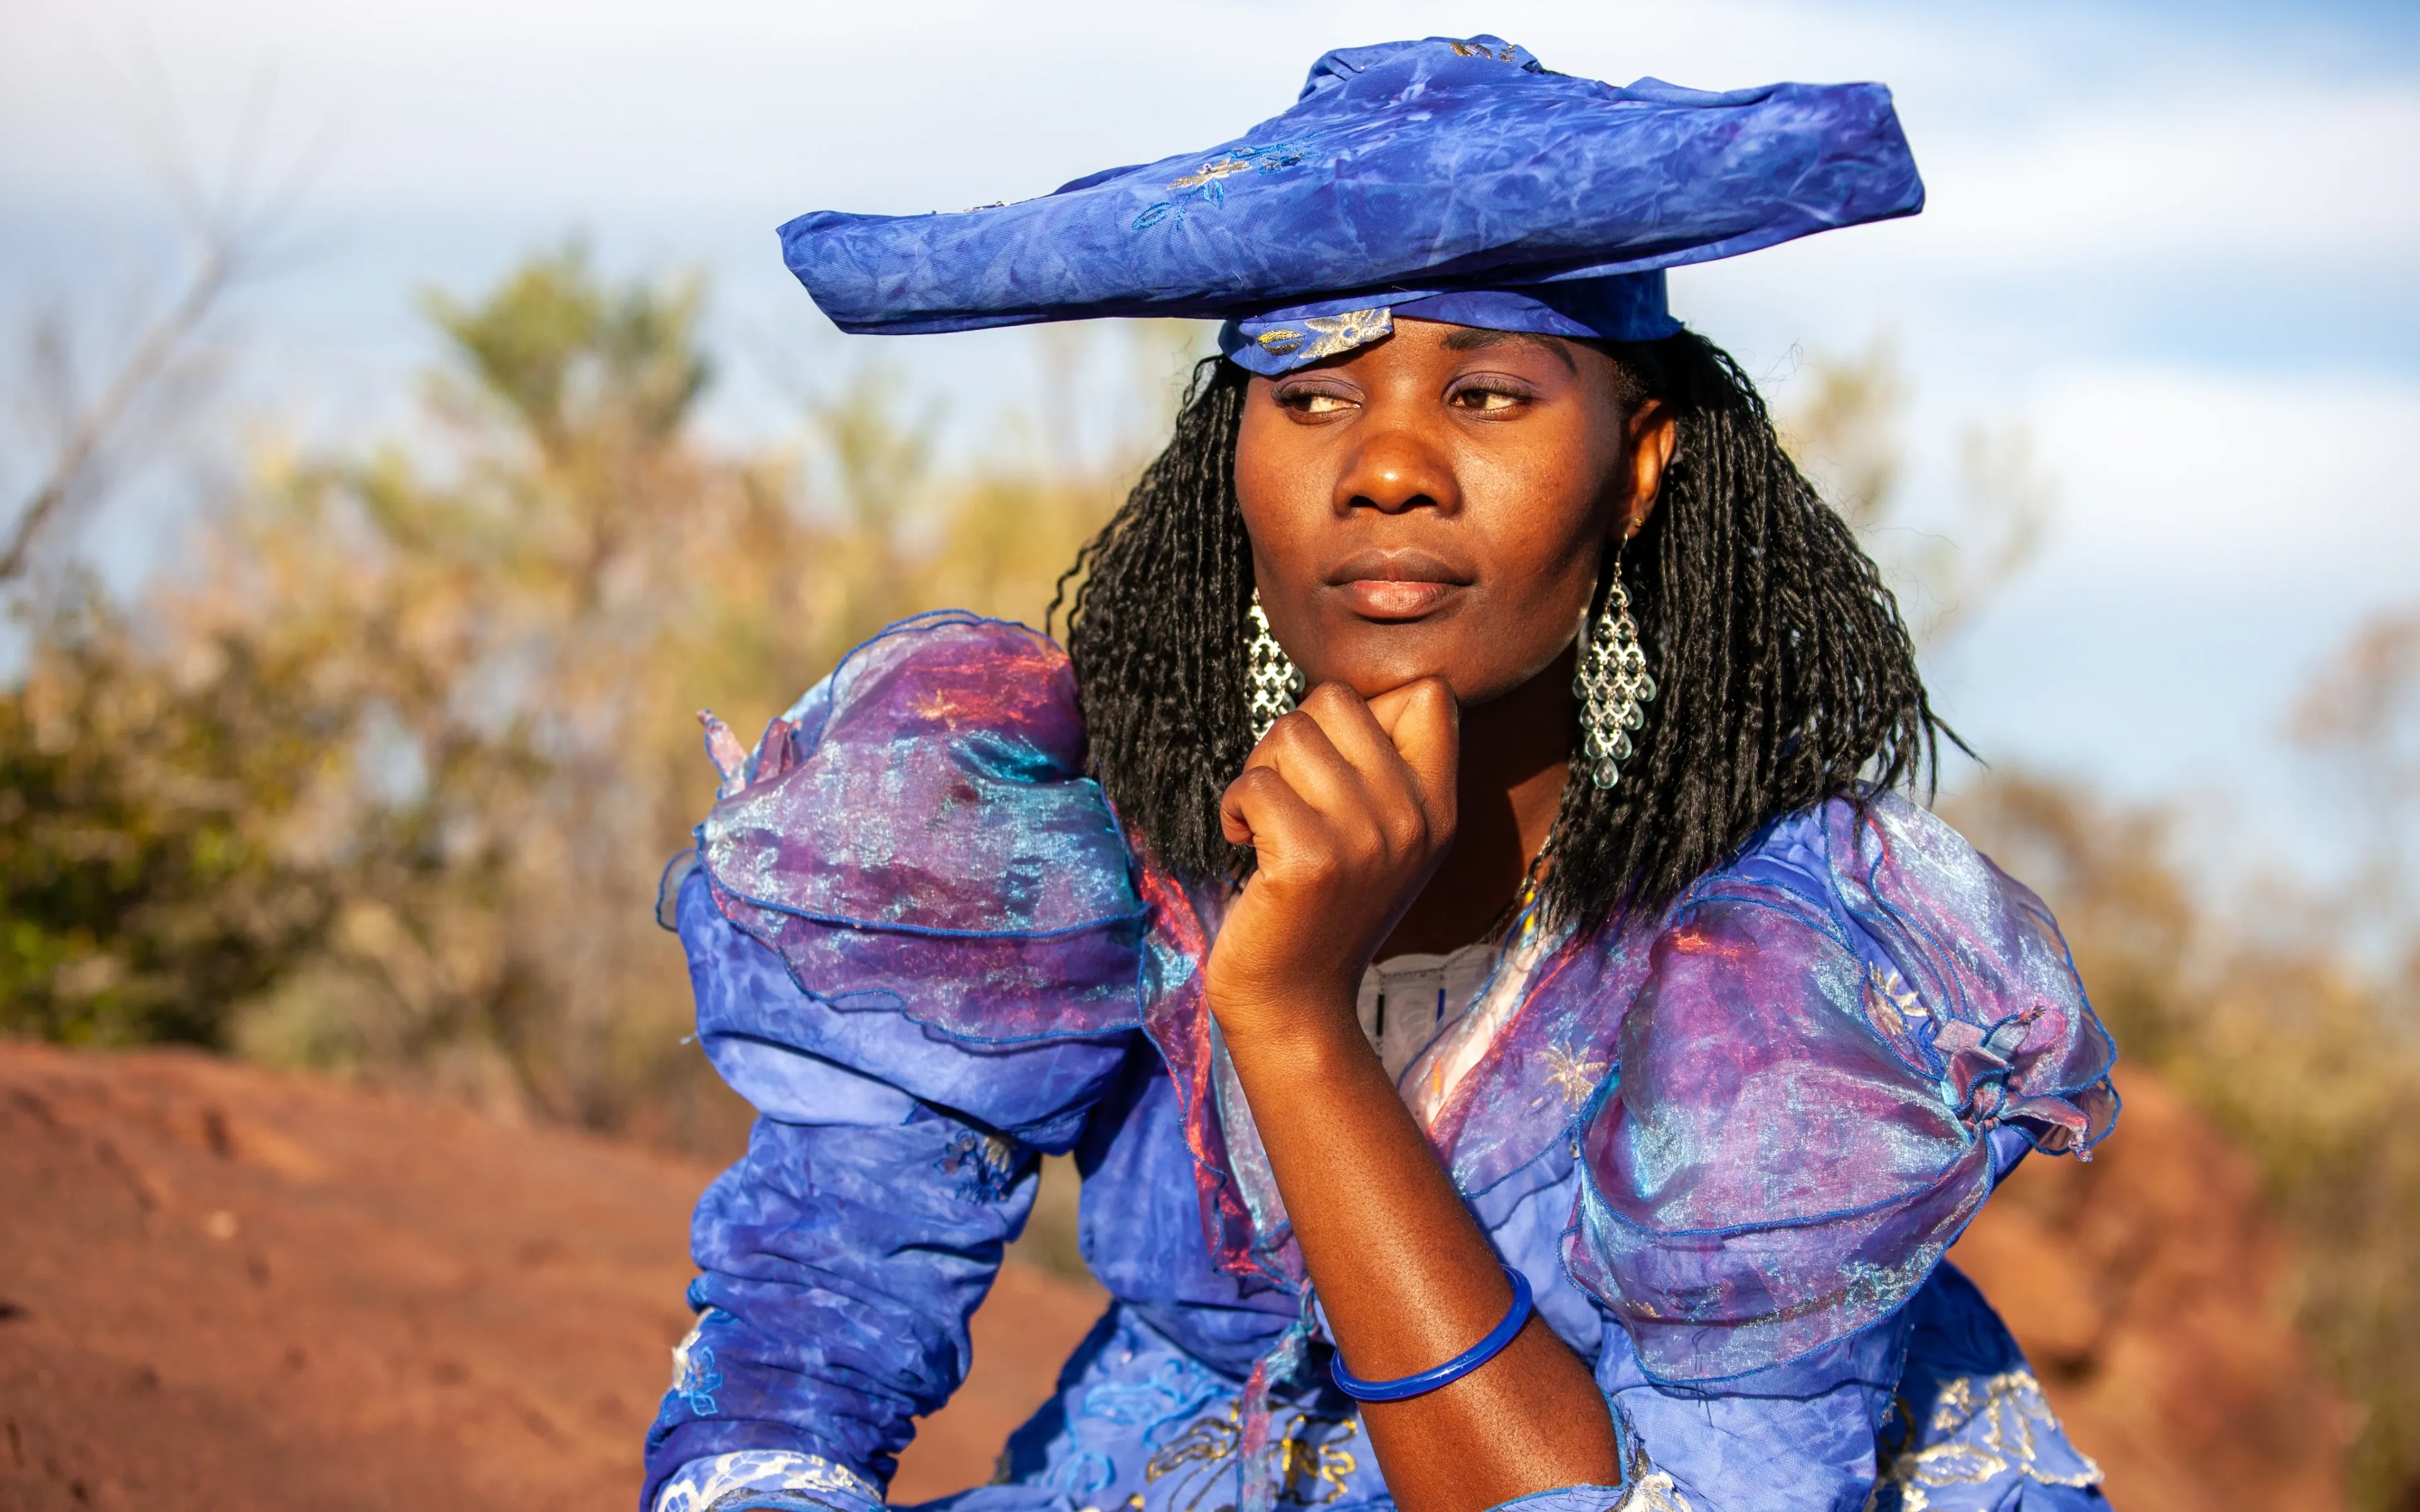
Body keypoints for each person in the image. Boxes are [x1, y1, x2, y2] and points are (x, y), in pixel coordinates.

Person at [642, 36, 2118, 1512]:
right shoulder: (1055, 828)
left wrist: (1293, 1018)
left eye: (1488, 397)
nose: (1389, 469)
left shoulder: (1781, 969)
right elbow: (786, 1379)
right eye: (1311, 398)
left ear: (1640, 461)